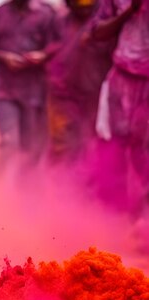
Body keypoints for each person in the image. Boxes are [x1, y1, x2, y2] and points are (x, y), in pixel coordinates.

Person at [89, 0, 149, 236]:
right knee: (114, 147)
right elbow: (97, 31)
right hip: (121, 78)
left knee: (143, 150)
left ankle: (142, 218)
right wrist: (129, 11)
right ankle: (115, 219)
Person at [0, 0, 57, 172]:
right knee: (9, 141)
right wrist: (4, 57)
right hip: (4, 89)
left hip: (34, 91)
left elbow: (57, 44)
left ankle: (24, 191)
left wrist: (42, 55)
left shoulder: (46, 13)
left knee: (30, 149)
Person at [45, 0, 114, 164]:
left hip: (94, 96)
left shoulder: (105, 24)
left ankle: (81, 185)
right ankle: (56, 184)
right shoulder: (58, 22)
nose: (83, 7)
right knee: (63, 145)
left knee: (89, 145)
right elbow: (50, 52)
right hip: (62, 94)